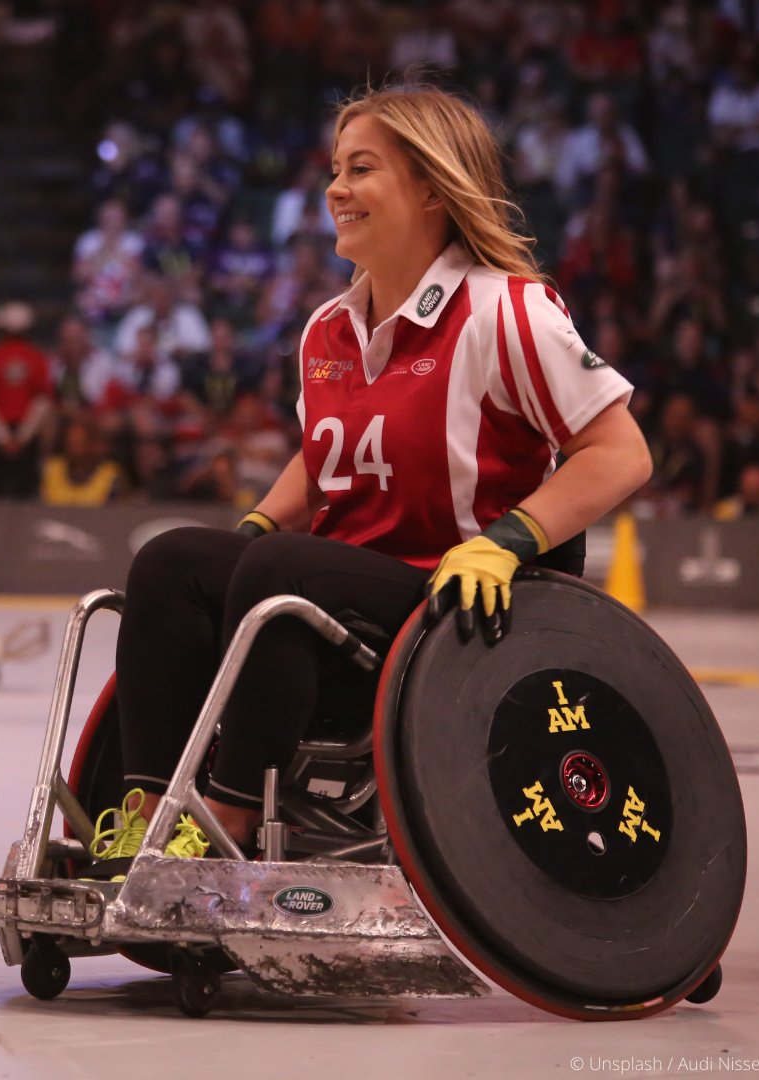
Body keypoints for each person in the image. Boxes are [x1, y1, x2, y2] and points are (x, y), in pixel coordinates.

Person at [86, 84, 653, 867]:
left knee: (284, 569)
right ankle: (147, 821)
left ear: (429, 185)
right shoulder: (327, 326)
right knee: (173, 560)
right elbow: (329, 453)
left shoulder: (506, 311)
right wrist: (257, 524)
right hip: (344, 587)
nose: (336, 190)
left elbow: (621, 452)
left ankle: (226, 824)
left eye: (361, 169)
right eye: (334, 170)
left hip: (457, 605)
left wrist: (507, 542)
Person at [0, 301, 53, 499]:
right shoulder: (37, 358)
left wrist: (3, 437)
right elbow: (42, 401)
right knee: (24, 492)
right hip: (25, 435)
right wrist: (23, 437)